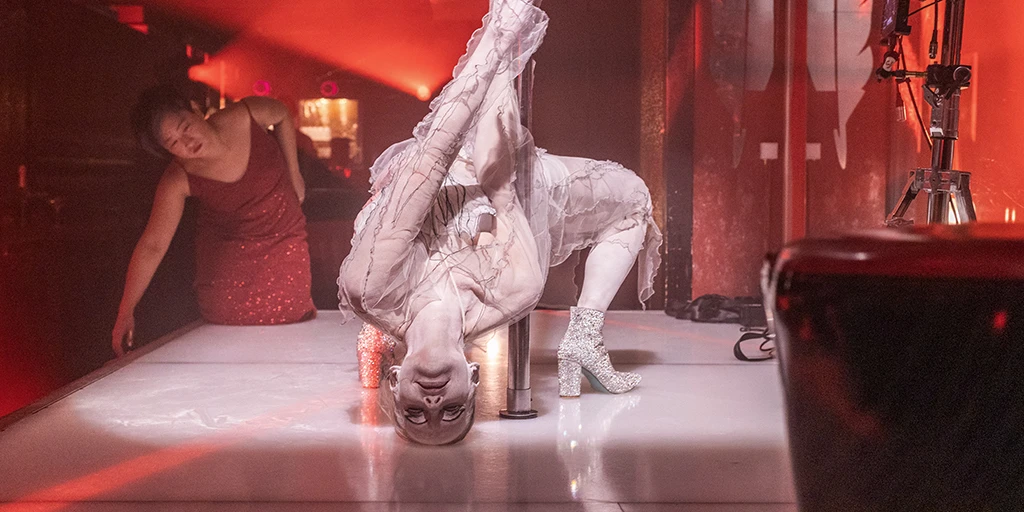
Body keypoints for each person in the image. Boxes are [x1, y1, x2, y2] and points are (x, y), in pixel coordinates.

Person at [338, 0, 662, 445]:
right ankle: (584, 335)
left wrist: (501, 29)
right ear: (474, 380)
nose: (433, 404)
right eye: (451, 411)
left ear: (397, 385)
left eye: (416, 415)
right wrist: (504, 57)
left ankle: (377, 330)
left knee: (381, 264)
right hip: (494, 182)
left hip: (424, 185)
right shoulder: (518, 289)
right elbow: (502, 184)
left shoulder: (370, 287)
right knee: (632, 198)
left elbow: (432, 156)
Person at [112, 84, 316, 356]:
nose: (187, 141)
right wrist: (125, 311)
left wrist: (294, 173)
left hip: (287, 254)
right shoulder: (178, 178)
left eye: (185, 127)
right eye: (174, 143)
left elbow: (280, 114)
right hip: (228, 285)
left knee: (291, 343)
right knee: (232, 359)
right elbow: (153, 245)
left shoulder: (244, 115)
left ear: (196, 110)